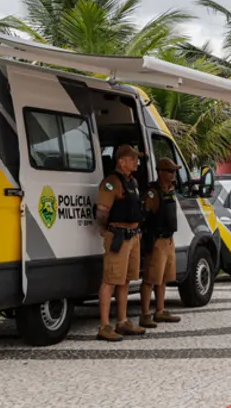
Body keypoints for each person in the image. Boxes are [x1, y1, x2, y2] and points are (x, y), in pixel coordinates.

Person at [93, 144, 147, 341]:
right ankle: (104, 325)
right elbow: (102, 210)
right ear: (121, 161)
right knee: (110, 280)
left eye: (136, 158)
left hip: (133, 235)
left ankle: (122, 321)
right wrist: (105, 231)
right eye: (132, 159)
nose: (136, 162)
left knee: (125, 279)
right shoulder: (111, 182)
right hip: (118, 235)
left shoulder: (132, 182)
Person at [139, 157, 183, 328]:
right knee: (150, 278)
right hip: (156, 239)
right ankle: (145, 314)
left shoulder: (170, 190)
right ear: (161, 172)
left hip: (168, 239)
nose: (174, 175)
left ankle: (160, 310)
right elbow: (145, 215)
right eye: (170, 171)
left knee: (163, 278)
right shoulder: (153, 192)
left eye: (174, 171)